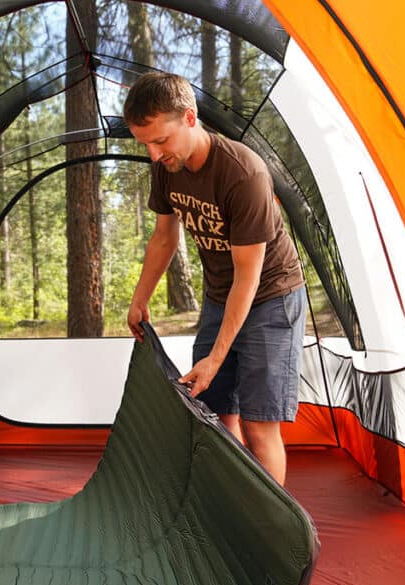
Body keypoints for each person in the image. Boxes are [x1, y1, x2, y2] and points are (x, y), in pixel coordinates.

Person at [123, 71, 306, 486]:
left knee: (260, 425)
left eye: (160, 141)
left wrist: (216, 358)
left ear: (190, 118)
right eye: (145, 144)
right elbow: (164, 238)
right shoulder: (166, 167)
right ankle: (239, 501)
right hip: (220, 295)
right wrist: (139, 299)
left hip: (272, 297)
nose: (153, 154)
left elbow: (249, 275)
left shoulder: (244, 174)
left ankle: (270, 535)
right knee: (216, 411)